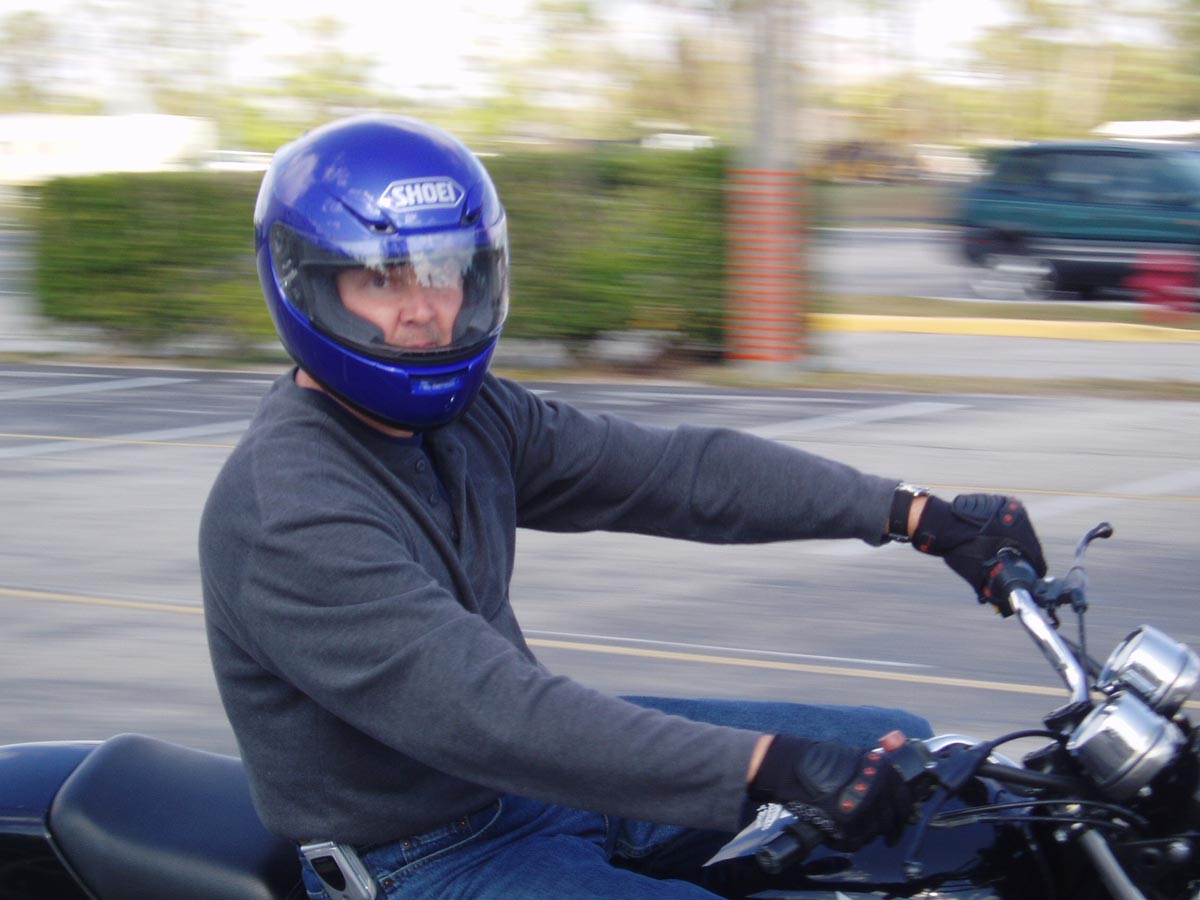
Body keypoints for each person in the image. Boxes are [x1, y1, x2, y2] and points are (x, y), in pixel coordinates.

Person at [199, 114, 1047, 900]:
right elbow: (491, 713)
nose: (425, 310)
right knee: (822, 779)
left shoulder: (471, 418)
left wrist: (916, 516)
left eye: (446, 272)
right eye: (382, 279)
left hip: (539, 785)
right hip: (427, 853)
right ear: (309, 286)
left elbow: (673, 473)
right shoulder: (288, 512)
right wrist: (765, 767)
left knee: (909, 757)